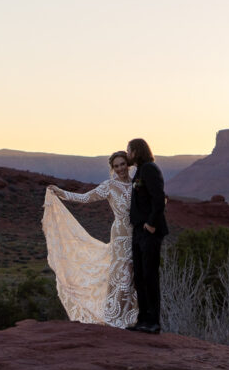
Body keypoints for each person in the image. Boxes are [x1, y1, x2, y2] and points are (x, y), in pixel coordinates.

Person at [43, 152, 138, 328]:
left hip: (138, 234)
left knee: (134, 273)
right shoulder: (109, 186)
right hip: (120, 235)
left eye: (122, 164)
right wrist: (61, 193)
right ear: (112, 168)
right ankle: (115, 317)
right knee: (122, 273)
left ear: (128, 164)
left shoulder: (136, 184)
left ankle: (131, 317)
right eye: (116, 166)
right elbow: (86, 197)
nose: (120, 169)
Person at [125, 137, 168, 333]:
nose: (127, 154)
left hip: (149, 232)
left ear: (136, 151)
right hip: (138, 231)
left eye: (129, 150)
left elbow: (159, 198)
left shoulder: (150, 169)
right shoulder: (140, 171)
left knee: (150, 276)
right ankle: (142, 319)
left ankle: (153, 322)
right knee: (140, 276)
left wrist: (151, 224)